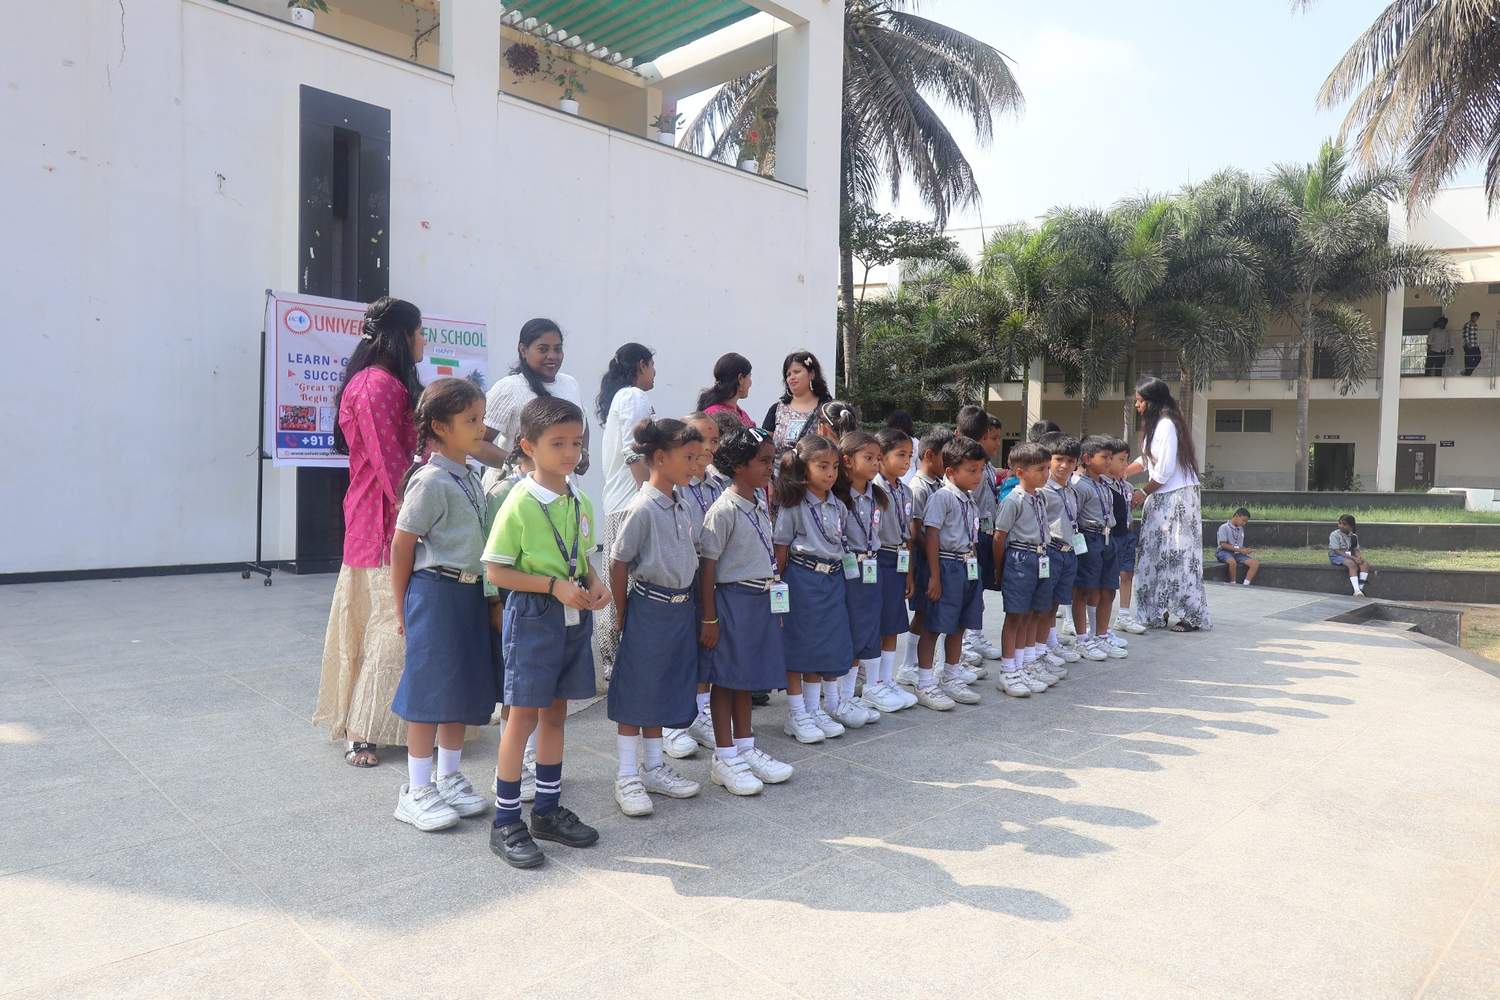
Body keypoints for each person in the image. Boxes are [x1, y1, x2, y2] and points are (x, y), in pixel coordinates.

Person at [484, 396, 610, 869]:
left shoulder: (578, 498)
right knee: (522, 716)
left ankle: (548, 810)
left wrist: (594, 583)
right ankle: (505, 820)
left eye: (576, 443)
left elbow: (582, 557)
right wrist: (554, 586)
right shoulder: (519, 501)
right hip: (535, 614)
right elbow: (497, 571)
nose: (570, 453)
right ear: (528, 446)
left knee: (556, 713)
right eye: (557, 443)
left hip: (572, 614)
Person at [315, 296, 424, 769]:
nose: (423, 341)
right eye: (419, 332)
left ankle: (374, 721)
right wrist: (420, 511)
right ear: (401, 335)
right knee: (388, 624)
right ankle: (362, 729)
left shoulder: (374, 381)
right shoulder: (378, 385)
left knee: (375, 623)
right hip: (384, 520)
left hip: (374, 517)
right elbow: (391, 464)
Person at [388, 379, 498, 831]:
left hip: (468, 593)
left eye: (481, 418)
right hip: (435, 592)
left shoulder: (469, 475)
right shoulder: (431, 480)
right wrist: (401, 607)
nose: (480, 427)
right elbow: (402, 546)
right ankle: (416, 790)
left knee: (460, 690)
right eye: (470, 420)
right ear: (439, 426)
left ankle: (448, 777)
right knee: (430, 692)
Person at [607, 418, 706, 817]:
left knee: (662, 687)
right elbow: (618, 562)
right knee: (637, 691)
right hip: (649, 607)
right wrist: (621, 614)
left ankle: (652, 767)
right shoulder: (643, 507)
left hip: (679, 609)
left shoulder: (682, 503)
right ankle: (627, 775)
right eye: (689, 457)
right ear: (660, 458)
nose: (696, 465)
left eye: (698, 458)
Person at [697, 427, 796, 793]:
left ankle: (745, 747)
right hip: (732, 601)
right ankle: (724, 757)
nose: (770, 468)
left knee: (746, 678)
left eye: (772, 461)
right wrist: (709, 617)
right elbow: (707, 567)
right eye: (763, 462)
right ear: (739, 465)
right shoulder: (723, 510)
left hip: (759, 600)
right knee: (726, 680)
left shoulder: (758, 502)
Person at [773, 435, 855, 743]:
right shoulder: (792, 506)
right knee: (799, 645)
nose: (830, 473)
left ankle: (812, 708)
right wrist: (778, 586)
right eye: (822, 466)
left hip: (831, 579)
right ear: (803, 468)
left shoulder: (839, 506)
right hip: (802, 579)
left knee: (823, 645)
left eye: (834, 466)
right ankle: (796, 712)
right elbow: (781, 548)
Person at [663, 411, 725, 760]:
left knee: (706, 649)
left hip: (711, 575)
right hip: (681, 578)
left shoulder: (718, 484)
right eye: (700, 439)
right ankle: (671, 722)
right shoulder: (674, 485)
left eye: (713, 440)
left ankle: (699, 714)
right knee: (678, 650)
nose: (707, 447)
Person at [1126, 377, 1212, 632]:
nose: (1137, 406)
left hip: (1176, 498)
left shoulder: (1166, 425)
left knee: (1178, 554)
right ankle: (1156, 611)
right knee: (1154, 555)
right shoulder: (1154, 426)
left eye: (1140, 401)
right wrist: (1120, 472)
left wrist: (1142, 492)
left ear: (1152, 402)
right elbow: (1146, 461)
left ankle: (1190, 615)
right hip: (1160, 497)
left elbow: (1163, 471)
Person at [913, 435, 991, 710]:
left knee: (960, 625)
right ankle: (925, 682)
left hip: (967, 566)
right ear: (950, 471)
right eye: (972, 470)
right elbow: (932, 536)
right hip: (946, 565)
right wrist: (935, 576)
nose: (978, 476)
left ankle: (951, 676)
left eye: (980, 470)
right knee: (934, 626)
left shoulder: (969, 499)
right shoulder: (942, 497)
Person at [594, 343, 656, 682]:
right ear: (642, 365)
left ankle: (614, 659)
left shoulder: (620, 397)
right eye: (652, 366)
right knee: (625, 584)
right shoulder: (634, 396)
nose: (655, 374)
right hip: (631, 504)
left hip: (618, 504)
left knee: (616, 578)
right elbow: (635, 452)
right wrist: (650, 494)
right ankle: (616, 659)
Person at [483, 318, 588, 485]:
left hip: (561, 489)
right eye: (543, 349)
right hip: (517, 488)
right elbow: (478, 443)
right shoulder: (509, 388)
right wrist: (522, 464)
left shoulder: (570, 384)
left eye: (557, 349)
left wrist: (583, 451)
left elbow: (582, 422)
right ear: (523, 350)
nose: (552, 356)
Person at [992, 441, 1057, 697]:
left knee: (1031, 613)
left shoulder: (1039, 497)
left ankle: (1021, 665)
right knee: (1015, 615)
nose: (1046, 474)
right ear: (1020, 472)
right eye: (1040, 469)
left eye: (1047, 468)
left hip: (1040, 556)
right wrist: (1000, 568)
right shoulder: (1013, 500)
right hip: (1020, 557)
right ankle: (1008, 670)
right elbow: (999, 536)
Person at [833, 430, 889, 729]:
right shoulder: (837, 497)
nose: (875, 464)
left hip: (871, 566)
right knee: (846, 632)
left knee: (864, 631)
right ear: (847, 460)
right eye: (868, 458)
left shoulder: (875, 496)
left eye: (878, 458)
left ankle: (848, 695)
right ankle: (836, 699)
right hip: (848, 568)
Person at [897, 427, 954, 689]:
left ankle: (924, 663)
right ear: (930, 455)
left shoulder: (938, 484)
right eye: (946, 457)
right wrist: (935, 549)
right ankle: (908, 665)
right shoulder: (918, 487)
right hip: (922, 560)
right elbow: (916, 530)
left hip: (933, 558)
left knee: (929, 613)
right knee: (922, 613)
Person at [867, 427, 918, 712]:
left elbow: (907, 536)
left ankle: (887, 679)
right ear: (881, 456)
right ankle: (872, 683)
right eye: (900, 455)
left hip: (898, 559)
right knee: (876, 622)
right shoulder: (873, 490)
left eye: (910, 456)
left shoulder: (906, 491)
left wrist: (909, 573)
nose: (907, 462)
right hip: (878, 559)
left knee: (893, 623)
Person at [956, 405, 1004, 665]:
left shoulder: (988, 468)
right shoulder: (968, 469)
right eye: (992, 438)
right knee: (968, 590)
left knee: (978, 589)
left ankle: (975, 635)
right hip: (970, 536)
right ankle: (964, 643)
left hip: (985, 533)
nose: (996, 443)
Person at [1072, 436, 1127, 660]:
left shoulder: (1104, 484)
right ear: (1087, 458)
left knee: (1108, 588)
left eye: (1110, 457)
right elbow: (1074, 517)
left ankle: (1101, 635)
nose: (1108, 462)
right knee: (1085, 590)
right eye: (1104, 457)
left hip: (1107, 538)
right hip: (1089, 537)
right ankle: (1082, 639)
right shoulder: (1080, 486)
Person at [1036, 433, 1083, 671]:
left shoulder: (1070, 490)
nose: (1064, 465)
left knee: (1056, 602)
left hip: (1068, 550)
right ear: (1049, 460)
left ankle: (1050, 641)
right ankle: (1038, 649)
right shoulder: (1043, 491)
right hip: (1050, 550)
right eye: (1059, 459)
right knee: (1043, 603)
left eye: (1070, 461)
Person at [762, 350, 833, 467]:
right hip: (779, 476)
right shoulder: (776, 409)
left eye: (797, 372)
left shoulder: (827, 409)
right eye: (788, 374)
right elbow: (764, 448)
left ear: (812, 374)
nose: (791, 377)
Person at [1108, 440, 1147, 635]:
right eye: (1121, 460)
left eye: (1127, 460)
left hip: (1127, 535)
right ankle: (1095, 621)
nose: (1125, 464)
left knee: (1127, 574)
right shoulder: (1103, 485)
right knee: (1106, 580)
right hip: (1110, 536)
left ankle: (1123, 615)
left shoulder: (1128, 487)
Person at [697, 352, 756, 427]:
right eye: (749, 377)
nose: (750, 383)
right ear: (740, 378)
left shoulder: (742, 414)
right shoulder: (713, 416)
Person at [1330, 514, 1373, 595]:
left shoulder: (1353, 536)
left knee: (1365, 564)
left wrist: (1359, 557)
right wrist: (1353, 558)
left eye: (1344, 524)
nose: (1341, 526)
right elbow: (1337, 551)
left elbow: (1356, 549)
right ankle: (1356, 590)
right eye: (1339, 523)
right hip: (1337, 556)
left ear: (1351, 526)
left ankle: (1360, 589)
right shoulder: (1334, 534)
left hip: (1350, 555)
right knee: (1351, 564)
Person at [1216, 507, 1260, 585]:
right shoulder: (1224, 527)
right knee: (1232, 562)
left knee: (1255, 563)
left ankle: (1245, 584)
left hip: (1237, 553)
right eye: (1243, 520)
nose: (1244, 523)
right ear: (1236, 516)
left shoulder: (1240, 529)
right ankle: (1233, 584)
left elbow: (1237, 546)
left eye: (1246, 522)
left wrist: (1244, 550)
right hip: (1224, 552)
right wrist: (1240, 550)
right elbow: (1223, 545)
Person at [884, 410, 920, 487]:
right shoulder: (916, 442)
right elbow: (919, 467)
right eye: (901, 454)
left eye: (910, 455)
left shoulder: (887, 441)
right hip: (910, 479)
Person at [1462, 311, 1483, 376]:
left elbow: (1475, 336)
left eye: (1477, 317)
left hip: (1475, 345)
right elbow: (1465, 335)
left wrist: (1477, 344)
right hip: (1469, 345)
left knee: (1478, 358)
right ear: (1471, 317)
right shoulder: (1467, 324)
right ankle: (1467, 373)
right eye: (1474, 317)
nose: (1476, 318)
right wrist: (1468, 343)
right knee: (1469, 360)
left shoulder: (1476, 325)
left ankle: (1468, 372)